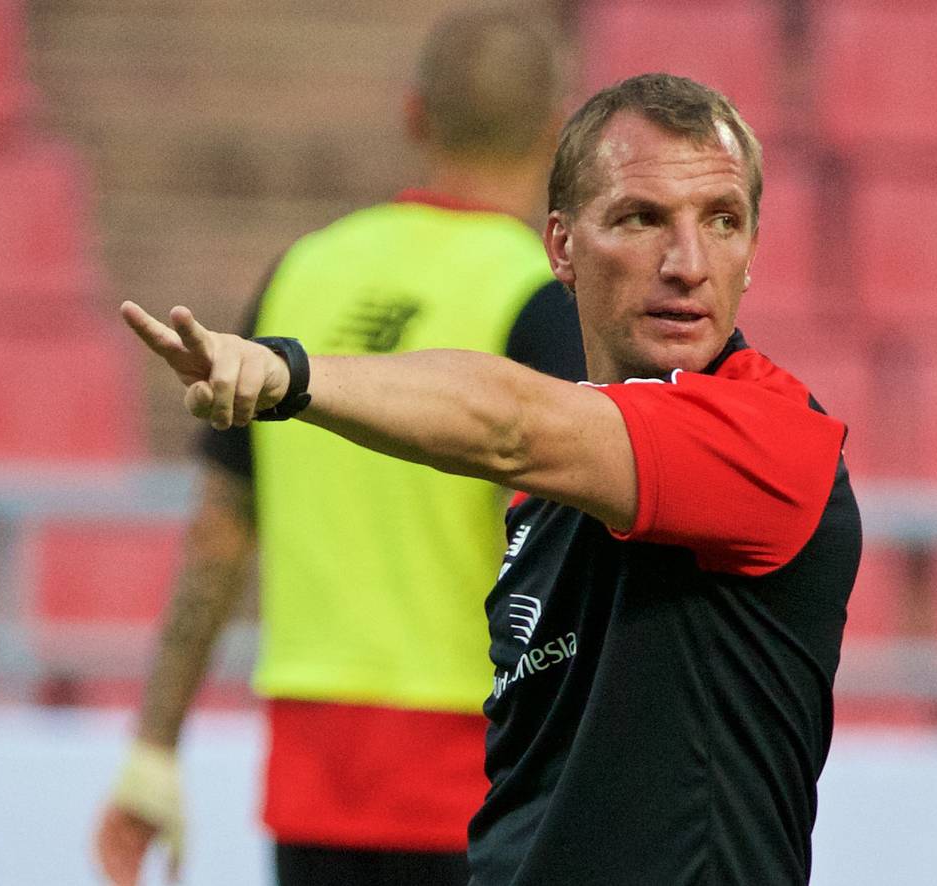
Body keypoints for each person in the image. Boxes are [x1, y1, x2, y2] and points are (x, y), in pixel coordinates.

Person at [121, 72, 863, 885]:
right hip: (346, 777)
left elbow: (512, 424)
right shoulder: (549, 494)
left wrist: (289, 375)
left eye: (723, 222)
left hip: (393, 779)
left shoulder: (770, 439)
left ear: (752, 252)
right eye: (641, 219)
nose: (687, 263)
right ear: (562, 246)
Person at [95, 9, 584, 886]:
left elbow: (218, 531)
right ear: (555, 131)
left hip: (311, 771)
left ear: (412, 117)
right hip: (479, 776)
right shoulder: (539, 300)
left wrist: (153, 752)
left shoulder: (301, 273)